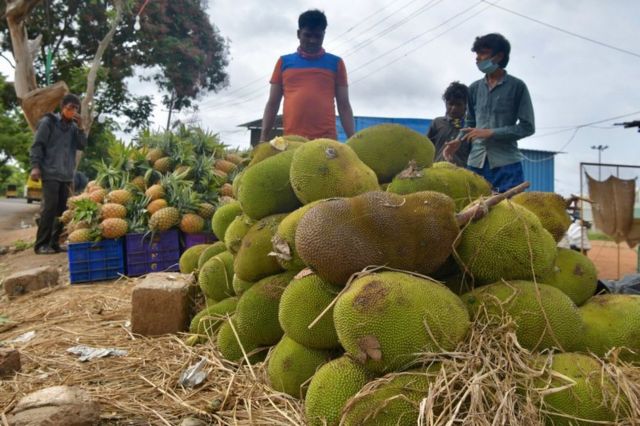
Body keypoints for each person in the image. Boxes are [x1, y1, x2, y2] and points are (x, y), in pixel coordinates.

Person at [444, 33, 535, 192]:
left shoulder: (517, 86)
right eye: (477, 54)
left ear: (499, 56)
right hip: (476, 164)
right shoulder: (474, 89)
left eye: (483, 53)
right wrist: (459, 140)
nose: (477, 58)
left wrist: (491, 132)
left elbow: (527, 127)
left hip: (506, 165)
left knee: (510, 212)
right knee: (473, 212)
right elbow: (470, 122)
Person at [259, 9, 355, 142]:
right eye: (307, 35)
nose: (312, 40)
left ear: (324, 35)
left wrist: (353, 139)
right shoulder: (284, 62)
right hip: (292, 140)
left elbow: (344, 105)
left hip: (327, 140)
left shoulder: (336, 63)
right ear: (298, 34)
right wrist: (263, 137)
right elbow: (273, 103)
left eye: (318, 36)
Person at [30, 94, 87, 254]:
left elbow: (82, 145)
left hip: (66, 175)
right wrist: (35, 166)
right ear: (63, 107)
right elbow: (37, 145)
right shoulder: (48, 122)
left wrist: (81, 126)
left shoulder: (74, 128)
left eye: (75, 109)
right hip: (49, 172)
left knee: (63, 210)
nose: (72, 111)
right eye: (70, 108)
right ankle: (41, 244)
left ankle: (54, 243)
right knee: (50, 208)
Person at [426, 81, 470, 167]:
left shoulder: (471, 128)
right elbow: (426, 149)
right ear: (446, 103)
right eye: (450, 104)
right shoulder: (437, 123)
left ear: (466, 106)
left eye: (458, 104)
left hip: (463, 175)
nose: (453, 108)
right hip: (436, 172)